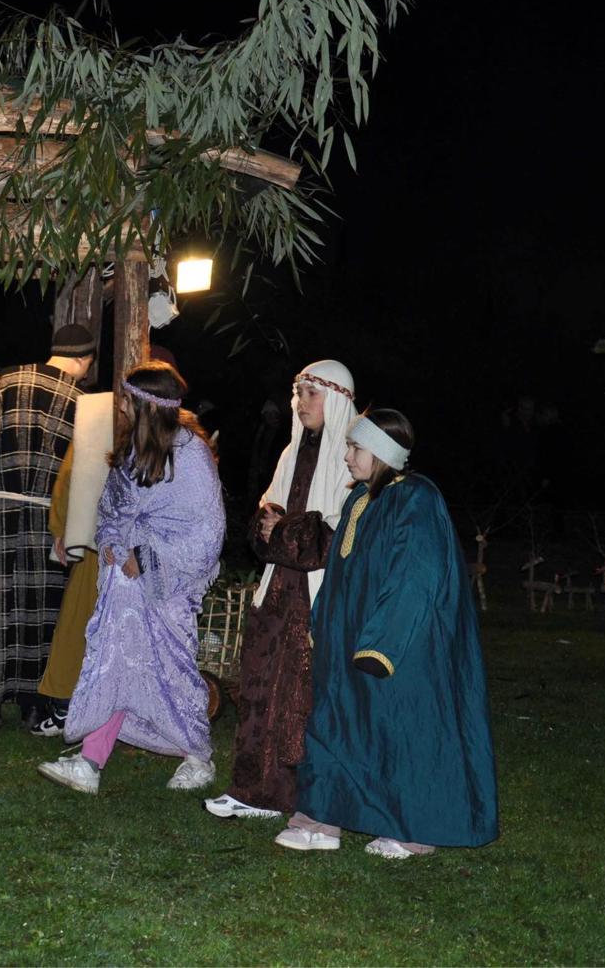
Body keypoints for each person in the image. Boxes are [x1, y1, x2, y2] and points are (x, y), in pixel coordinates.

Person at [276, 409, 498, 858]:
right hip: (347, 641)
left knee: (400, 732)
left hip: (398, 646)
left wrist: (383, 643)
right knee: (337, 726)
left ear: (381, 452)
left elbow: (417, 575)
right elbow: (340, 574)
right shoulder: (360, 500)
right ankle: (321, 818)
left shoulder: (416, 498)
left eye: (355, 448)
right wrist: (323, 623)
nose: (347, 457)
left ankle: (412, 830)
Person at [37, 362, 226, 795]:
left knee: (171, 671)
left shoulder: (191, 457)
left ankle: (197, 756)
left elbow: (206, 531)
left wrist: (147, 556)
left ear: (146, 405)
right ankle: (90, 762)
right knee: (114, 664)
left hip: (166, 589)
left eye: (127, 399)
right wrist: (109, 541)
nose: (121, 406)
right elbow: (113, 508)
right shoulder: (131, 449)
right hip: (123, 587)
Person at [206, 361, 356, 820]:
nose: (300, 402)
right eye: (298, 393)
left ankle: (296, 796)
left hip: (316, 596)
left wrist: (285, 528)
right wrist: (270, 525)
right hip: (276, 591)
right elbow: (265, 521)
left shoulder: (350, 458)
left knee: (298, 698)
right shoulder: (291, 452)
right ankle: (252, 788)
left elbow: (340, 536)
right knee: (259, 686)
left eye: (311, 393)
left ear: (336, 399)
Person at [0, 325, 94, 729]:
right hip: (48, 518)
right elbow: (84, 470)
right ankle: (35, 704)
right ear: (84, 360)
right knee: (42, 610)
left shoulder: (0, 383)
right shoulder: (83, 402)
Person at [32, 347, 176, 737]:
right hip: (103, 547)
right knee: (82, 627)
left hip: (146, 557)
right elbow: (72, 475)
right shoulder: (102, 420)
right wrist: (65, 528)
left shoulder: (175, 439)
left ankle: (121, 715)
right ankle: (66, 705)